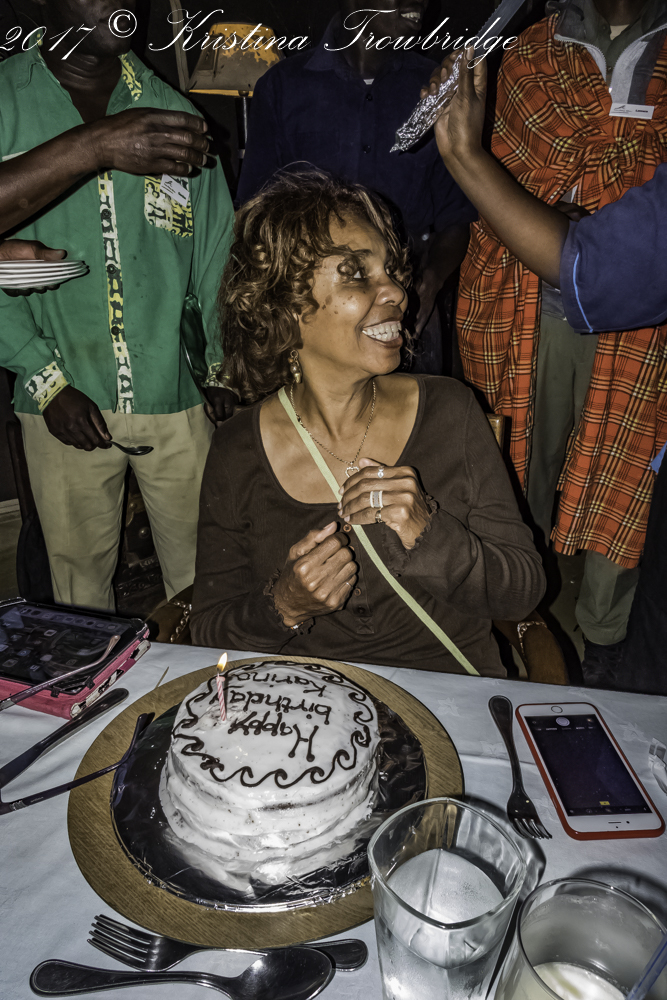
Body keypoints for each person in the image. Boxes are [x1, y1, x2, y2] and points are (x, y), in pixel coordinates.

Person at [190, 171, 546, 676]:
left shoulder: (451, 410)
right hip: (305, 705)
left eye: (392, 270)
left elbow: (523, 589)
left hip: (447, 697)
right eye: (356, 273)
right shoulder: (236, 450)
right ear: (285, 306)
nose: (397, 291)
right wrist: (284, 605)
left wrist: (427, 532)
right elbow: (208, 629)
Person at [429, 47, 667, 692]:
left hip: (644, 313)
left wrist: (592, 234)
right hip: (523, 299)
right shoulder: (528, 51)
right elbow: (492, 174)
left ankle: (604, 633)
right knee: (514, 470)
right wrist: (549, 215)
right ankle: (518, 611)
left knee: (626, 467)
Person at [0, 0, 235, 611]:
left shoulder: (176, 115)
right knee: (78, 595)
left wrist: (218, 368)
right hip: (60, 393)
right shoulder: (5, 100)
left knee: (204, 585)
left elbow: (214, 249)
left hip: (176, 395)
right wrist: (43, 380)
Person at [235, 0, 477, 376]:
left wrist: (430, 282)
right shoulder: (284, 87)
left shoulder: (434, 89)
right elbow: (256, 218)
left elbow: (456, 216)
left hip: (406, 319)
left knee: (417, 414)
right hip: (313, 324)